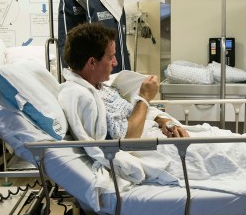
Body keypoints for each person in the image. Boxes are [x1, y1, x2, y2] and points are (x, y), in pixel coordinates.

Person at [60, 23, 189, 141]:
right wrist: (144, 97)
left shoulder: (100, 86)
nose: (115, 62)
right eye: (111, 57)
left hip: (158, 132)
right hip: (150, 145)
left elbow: (135, 112)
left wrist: (164, 121)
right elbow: (127, 139)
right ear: (92, 63)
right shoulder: (83, 98)